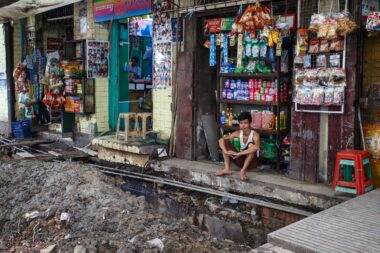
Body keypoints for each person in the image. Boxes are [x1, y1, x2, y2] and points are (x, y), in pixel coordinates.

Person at [215, 112, 260, 181]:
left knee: (251, 145)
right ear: (239, 124)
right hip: (240, 161)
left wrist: (238, 153)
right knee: (225, 141)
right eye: (241, 123)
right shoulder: (238, 133)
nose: (243, 125)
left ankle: (243, 171)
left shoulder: (255, 134)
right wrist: (225, 151)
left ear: (250, 123)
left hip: (252, 163)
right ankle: (226, 169)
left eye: (245, 123)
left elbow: (256, 147)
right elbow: (221, 140)